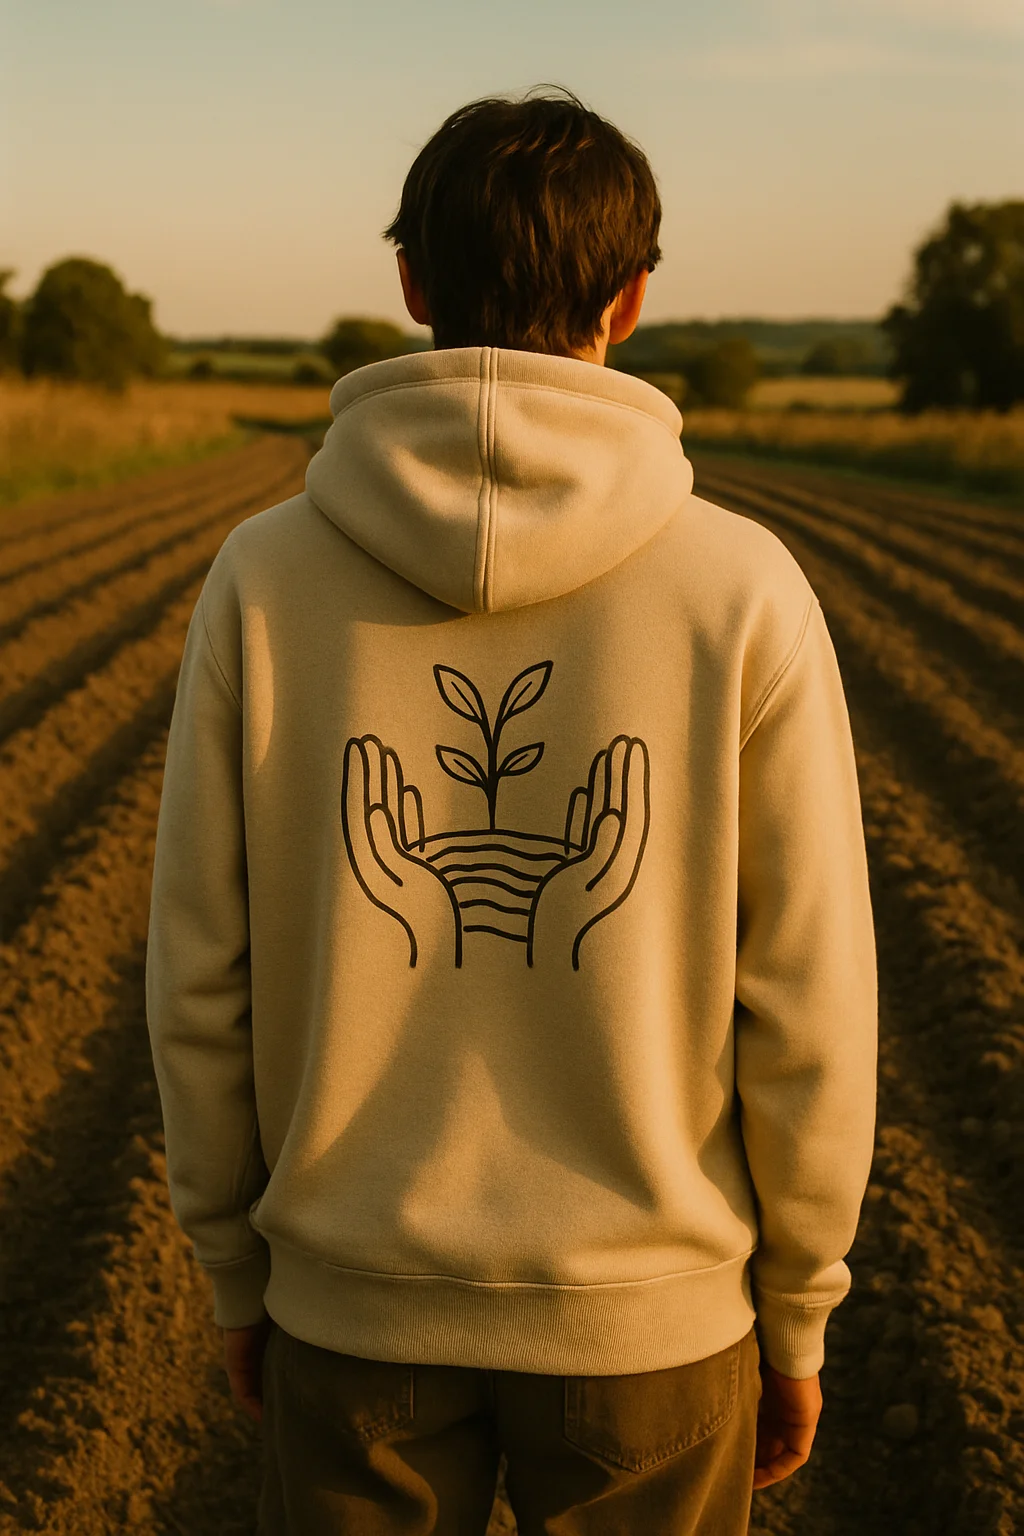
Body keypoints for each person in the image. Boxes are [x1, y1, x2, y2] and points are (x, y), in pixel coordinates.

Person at [146, 88, 877, 1536]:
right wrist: (797, 1307)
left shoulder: (264, 575)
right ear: (634, 296)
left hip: (349, 1325)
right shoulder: (744, 590)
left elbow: (198, 972)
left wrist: (240, 1269)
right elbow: (807, 995)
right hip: (654, 1338)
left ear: (410, 282)